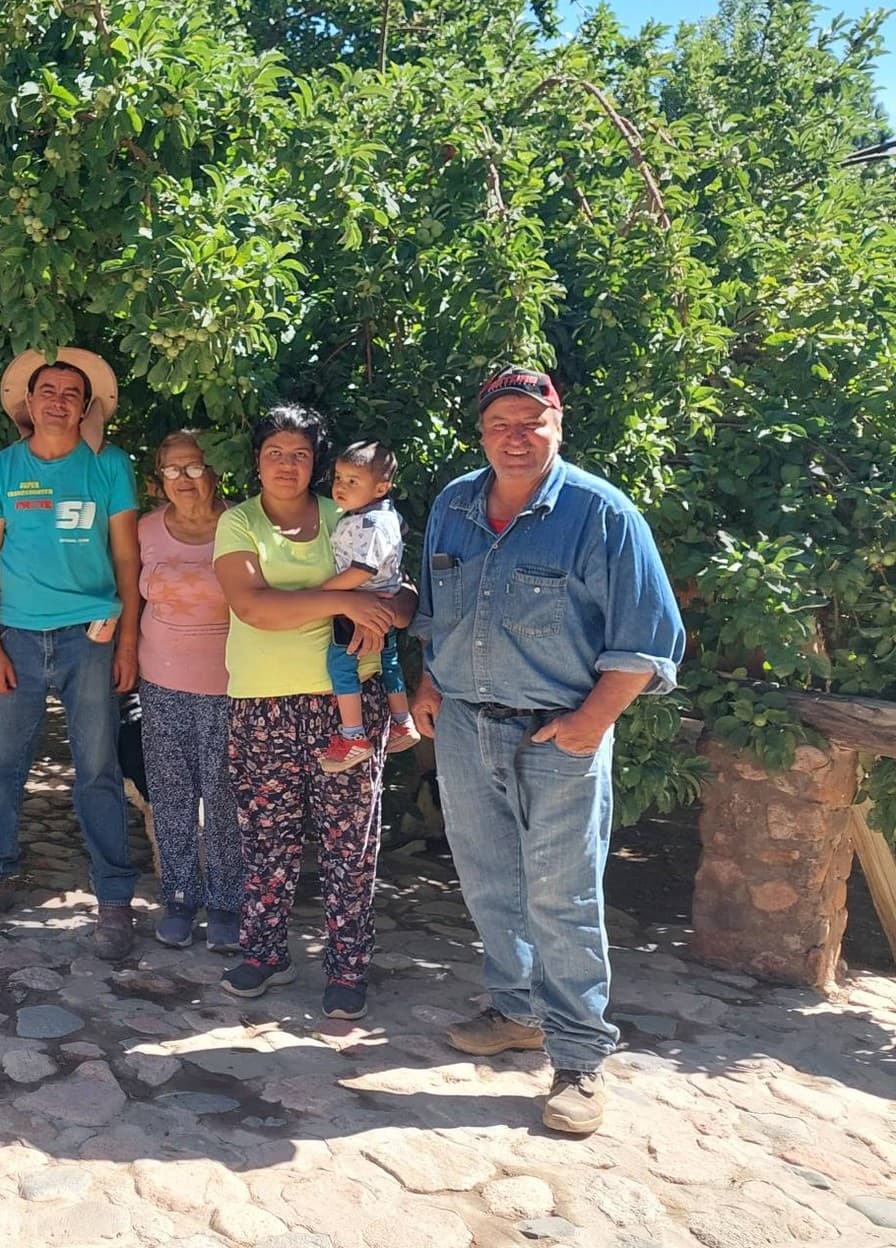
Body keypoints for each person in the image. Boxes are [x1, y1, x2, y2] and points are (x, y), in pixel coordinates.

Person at [410, 367, 684, 1137]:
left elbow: (649, 638)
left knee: (563, 896)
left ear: (558, 426)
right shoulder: (454, 504)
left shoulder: (601, 513)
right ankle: (517, 1010)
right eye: (502, 421)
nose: (516, 435)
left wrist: (595, 720)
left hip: (559, 731)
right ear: (482, 432)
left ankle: (579, 1059)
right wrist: (429, 686)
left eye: (533, 421)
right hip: (465, 726)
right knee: (491, 880)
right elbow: (434, 613)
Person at [212, 404, 415, 1020]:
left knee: (349, 841)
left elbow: (400, 594)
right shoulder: (239, 524)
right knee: (266, 835)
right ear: (257, 459)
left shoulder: (348, 515)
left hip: (347, 703)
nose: (286, 463)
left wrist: (387, 610)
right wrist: (341, 602)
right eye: (274, 451)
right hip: (262, 701)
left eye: (300, 453)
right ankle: (265, 952)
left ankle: (348, 966)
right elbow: (254, 607)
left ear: (318, 464)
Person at [0, 349, 142, 961]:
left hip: (92, 637)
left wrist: (129, 640)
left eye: (70, 392)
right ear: (27, 405)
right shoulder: (3, 471)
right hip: (17, 640)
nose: (58, 400)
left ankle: (113, 898)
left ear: (85, 407)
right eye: (47, 391)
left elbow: (128, 561)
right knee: (4, 766)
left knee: (97, 772)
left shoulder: (109, 467)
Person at [136, 430, 243, 953]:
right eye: (172, 469)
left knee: (224, 798)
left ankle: (227, 903)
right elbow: (131, 601)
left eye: (194, 467)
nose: (183, 479)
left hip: (230, 685)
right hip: (159, 680)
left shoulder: (240, 524)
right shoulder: (145, 530)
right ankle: (179, 897)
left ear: (214, 472)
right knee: (172, 794)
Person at [319, 441, 419, 773]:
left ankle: (353, 737)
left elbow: (364, 569)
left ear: (381, 487)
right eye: (339, 477)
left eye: (353, 481)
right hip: (384, 600)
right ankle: (402, 721)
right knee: (388, 660)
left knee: (341, 664)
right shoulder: (380, 515)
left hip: (363, 602)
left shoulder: (372, 523)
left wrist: (322, 593)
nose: (341, 487)